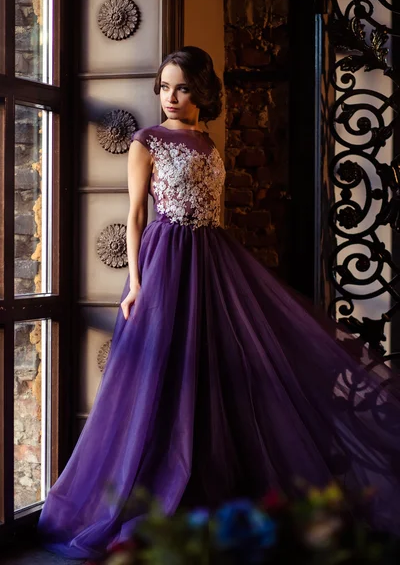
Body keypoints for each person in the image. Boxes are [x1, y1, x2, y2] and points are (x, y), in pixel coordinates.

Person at [38, 46, 400, 560]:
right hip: (165, 264)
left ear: (202, 92)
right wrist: (136, 281)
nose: (170, 97)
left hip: (212, 260)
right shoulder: (147, 141)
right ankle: (138, 490)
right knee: (160, 371)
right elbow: (136, 215)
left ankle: (211, 482)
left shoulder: (208, 142)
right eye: (163, 87)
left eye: (181, 87)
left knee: (221, 368)